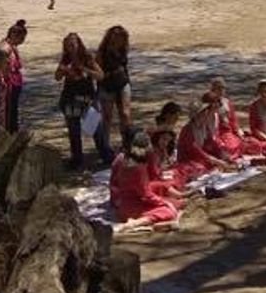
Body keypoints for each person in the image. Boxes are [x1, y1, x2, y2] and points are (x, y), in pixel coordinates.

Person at [110, 132, 183, 229]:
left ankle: (179, 198)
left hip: (126, 201)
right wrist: (163, 202)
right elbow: (146, 194)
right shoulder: (138, 168)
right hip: (130, 206)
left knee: (165, 194)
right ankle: (137, 222)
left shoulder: (124, 160)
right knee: (168, 211)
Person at [56, 32, 103, 169]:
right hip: (70, 99)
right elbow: (57, 77)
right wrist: (63, 71)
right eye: (67, 45)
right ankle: (77, 159)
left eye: (72, 44)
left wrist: (84, 70)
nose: (70, 47)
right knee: (73, 130)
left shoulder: (87, 58)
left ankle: (105, 154)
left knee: (94, 128)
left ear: (78, 44)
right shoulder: (65, 60)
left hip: (87, 98)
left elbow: (100, 76)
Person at [178, 93, 237, 180]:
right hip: (189, 159)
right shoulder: (188, 130)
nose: (206, 114)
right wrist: (215, 160)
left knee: (219, 160)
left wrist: (224, 155)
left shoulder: (204, 126)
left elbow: (211, 142)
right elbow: (195, 150)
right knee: (200, 168)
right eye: (203, 113)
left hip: (200, 157)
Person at [97, 25, 133, 163]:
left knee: (125, 114)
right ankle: (105, 146)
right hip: (107, 86)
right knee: (107, 117)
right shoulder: (102, 52)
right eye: (116, 37)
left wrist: (126, 79)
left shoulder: (123, 50)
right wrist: (112, 73)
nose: (118, 40)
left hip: (123, 83)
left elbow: (124, 67)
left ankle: (127, 142)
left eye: (121, 38)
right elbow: (99, 72)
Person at [0, 20, 28, 132]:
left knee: (13, 111)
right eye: (22, 38)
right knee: (8, 113)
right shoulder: (4, 49)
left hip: (14, 82)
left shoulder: (11, 46)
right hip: (8, 84)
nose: (23, 41)